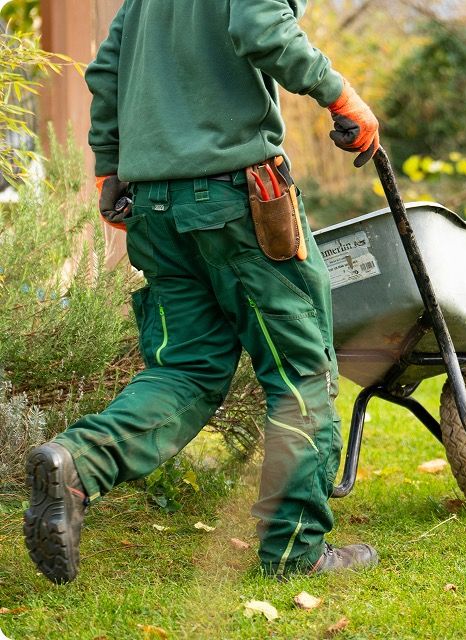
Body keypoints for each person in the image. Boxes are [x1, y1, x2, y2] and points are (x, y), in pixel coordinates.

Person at [23, 0, 380, 584]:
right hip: (238, 202)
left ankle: (76, 465)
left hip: (154, 206)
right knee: (300, 374)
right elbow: (260, 27)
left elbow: (107, 69)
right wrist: (341, 96)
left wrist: (110, 168)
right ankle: (295, 550)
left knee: (183, 370)